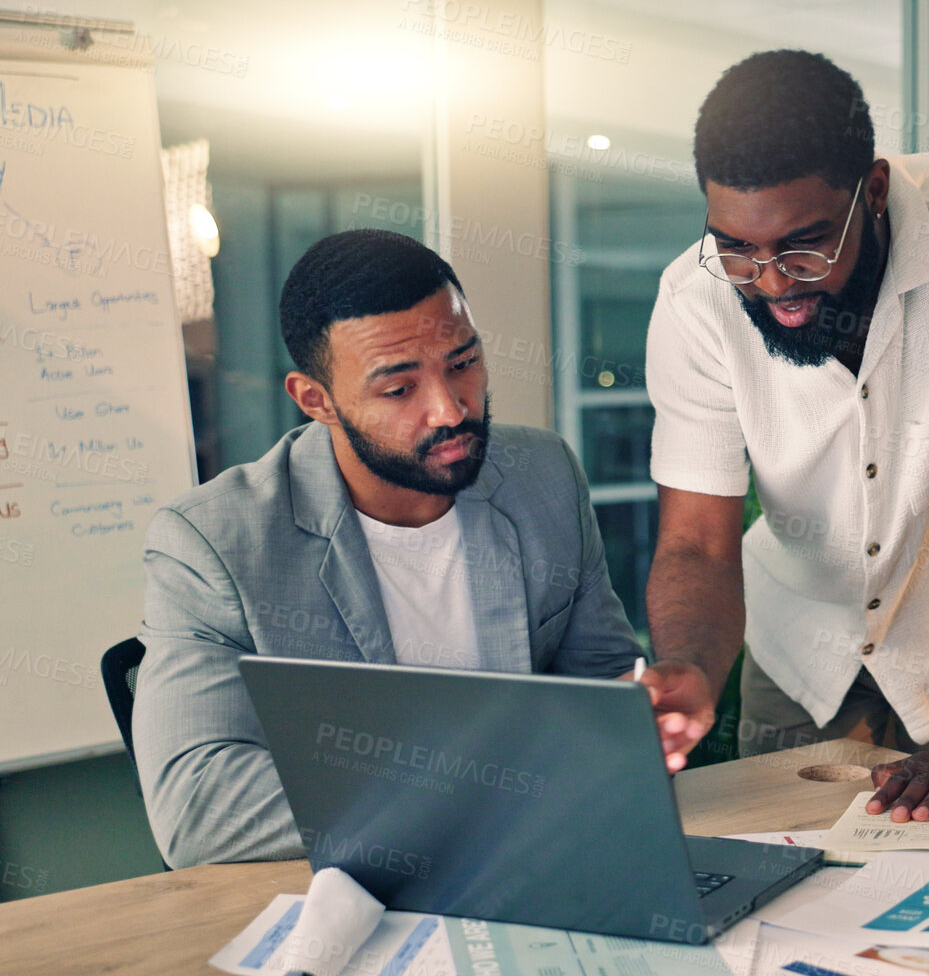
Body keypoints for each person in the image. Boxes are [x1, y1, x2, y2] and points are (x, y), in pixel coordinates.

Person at [134, 229, 649, 868]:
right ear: (316, 400)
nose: (450, 411)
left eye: (463, 364)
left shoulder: (541, 473)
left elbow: (605, 682)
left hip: (541, 860)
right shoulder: (214, 541)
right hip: (345, 890)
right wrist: (486, 784)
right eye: (399, 389)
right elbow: (198, 809)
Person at [642, 50, 929, 823]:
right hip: (800, 633)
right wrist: (691, 670)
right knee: (781, 862)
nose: (771, 282)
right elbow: (697, 543)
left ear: (871, 192)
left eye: (805, 245)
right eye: (737, 247)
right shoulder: (691, 301)